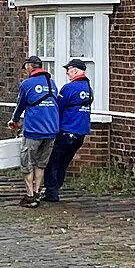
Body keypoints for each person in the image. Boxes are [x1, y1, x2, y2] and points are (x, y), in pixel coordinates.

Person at [6, 54, 59, 207]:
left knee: (27, 162)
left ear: (29, 67)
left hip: (34, 129)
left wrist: (14, 120)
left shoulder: (27, 84)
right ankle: (37, 191)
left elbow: (20, 105)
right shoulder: (52, 83)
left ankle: (30, 197)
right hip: (52, 130)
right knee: (41, 164)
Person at [46, 58, 93, 202]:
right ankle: (56, 188)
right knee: (64, 163)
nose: (67, 73)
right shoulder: (88, 89)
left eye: (69, 70)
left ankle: (51, 192)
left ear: (76, 70)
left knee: (53, 162)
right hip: (81, 132)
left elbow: (58, 108)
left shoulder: (68, 88)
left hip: (66, 130)